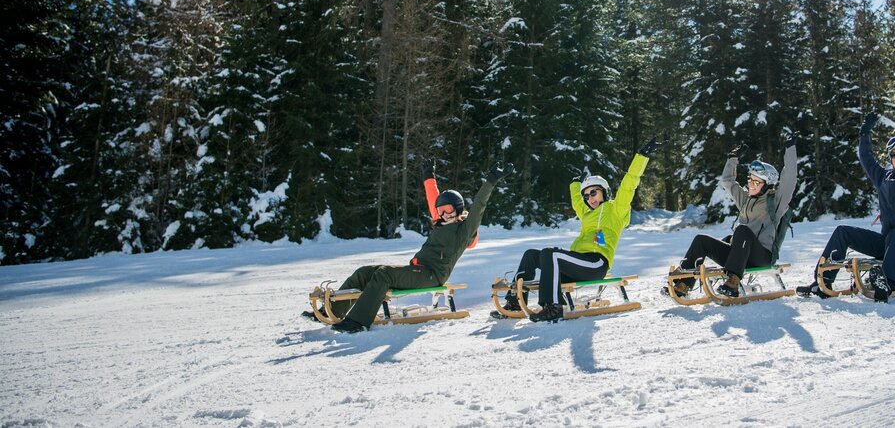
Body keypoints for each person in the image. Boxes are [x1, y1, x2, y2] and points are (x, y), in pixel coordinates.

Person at [315, 161, 513, 332]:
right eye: (440, 210)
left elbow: (479, 206)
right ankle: (332, 311)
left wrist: (490, 182)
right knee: (364, 272)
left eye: (448, 210)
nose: (443, 214)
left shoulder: (463, 230)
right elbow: (432, 196)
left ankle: (357, 321)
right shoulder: (441, 222)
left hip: (432, 275)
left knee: (384, 274)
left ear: (458, 209)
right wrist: (429, 176)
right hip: (417, 269)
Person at [797, 94, 895, 302]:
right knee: (843, 232)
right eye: (893, 154)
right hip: (888, 243)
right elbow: (866, 158)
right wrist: (864, 132)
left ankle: (886, 283)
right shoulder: (883, 178)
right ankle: (822, 282)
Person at [493, 138, 663, 323]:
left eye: (593, 193)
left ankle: (553, 307)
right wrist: (575, 184)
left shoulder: (616, 209)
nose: (589, 198)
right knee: (532, 255)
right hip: (577, 263)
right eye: (586, 196)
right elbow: (576, 202)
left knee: (551, 254)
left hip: (595, 264)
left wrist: (642, 156)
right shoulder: (587, 214)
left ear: (604, 192)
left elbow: (629, 184)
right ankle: (516, 302)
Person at [667, 138, 798, 299]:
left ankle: (733, 282)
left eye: (757, 182)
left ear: (766, 185)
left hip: (762, 256)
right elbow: (727, 181)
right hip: (740, 254)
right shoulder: (745, 199)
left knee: (742, 230)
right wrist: (732, 158)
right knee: (701, 240)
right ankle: (683, 284)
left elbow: (790, 179)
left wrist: (790, 149)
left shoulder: (776, 201)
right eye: (750, 179)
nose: (751, 184)